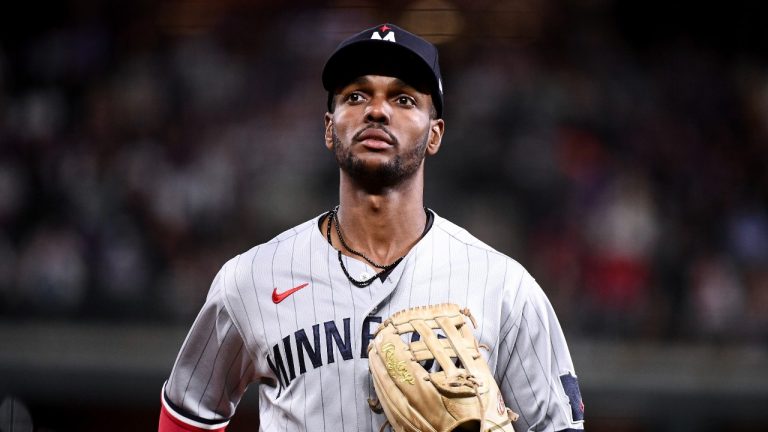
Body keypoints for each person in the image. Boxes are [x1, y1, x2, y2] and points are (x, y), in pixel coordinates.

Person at [158, 23, 585, 432]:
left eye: (403, 100)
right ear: (330, 127)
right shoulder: (251, 279)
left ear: (434, 135)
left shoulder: (504, 286)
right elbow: (189, 414)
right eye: (357, 95)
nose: (377, 110)